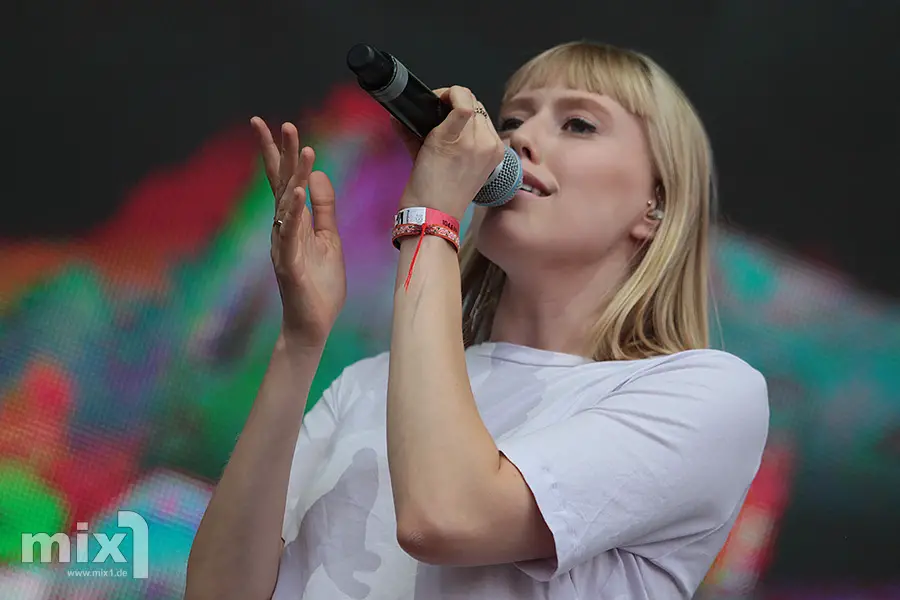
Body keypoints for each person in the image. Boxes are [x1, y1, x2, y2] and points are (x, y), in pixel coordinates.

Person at [185, 40, 769, 600]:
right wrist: (299, 340)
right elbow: (217, 592)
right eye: (512, 121)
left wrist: (429, 217)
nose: (519, 140)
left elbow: (443, 517)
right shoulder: (368, 386)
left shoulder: (706, 395)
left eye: (578, 124)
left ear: (654, 206)